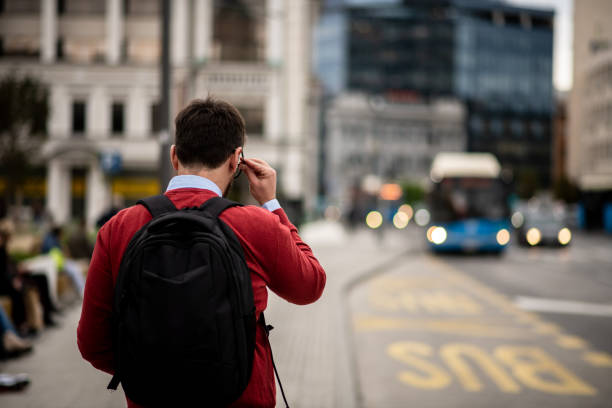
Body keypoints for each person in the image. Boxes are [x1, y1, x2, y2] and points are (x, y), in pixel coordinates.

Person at [78, 97, 327, 407]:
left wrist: (156, 373)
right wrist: (272, 204)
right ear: (236, 161)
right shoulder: (255, 225)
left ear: (174, 156)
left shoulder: (119, 228)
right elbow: (310, 285)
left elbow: (92, 343)